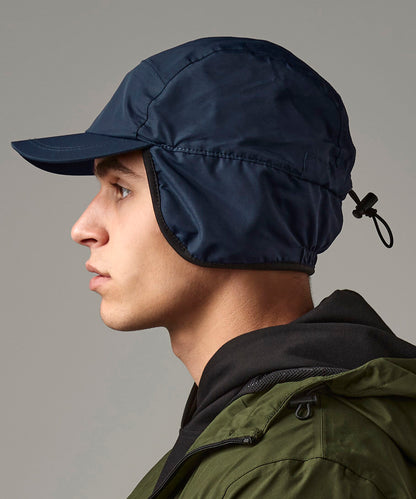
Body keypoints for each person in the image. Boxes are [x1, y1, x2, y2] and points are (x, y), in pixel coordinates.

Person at [11, 36, 416, 498]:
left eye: (121, 189)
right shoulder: (242, 436)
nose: (83, 228)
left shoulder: (296, 471)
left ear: (229, 209)